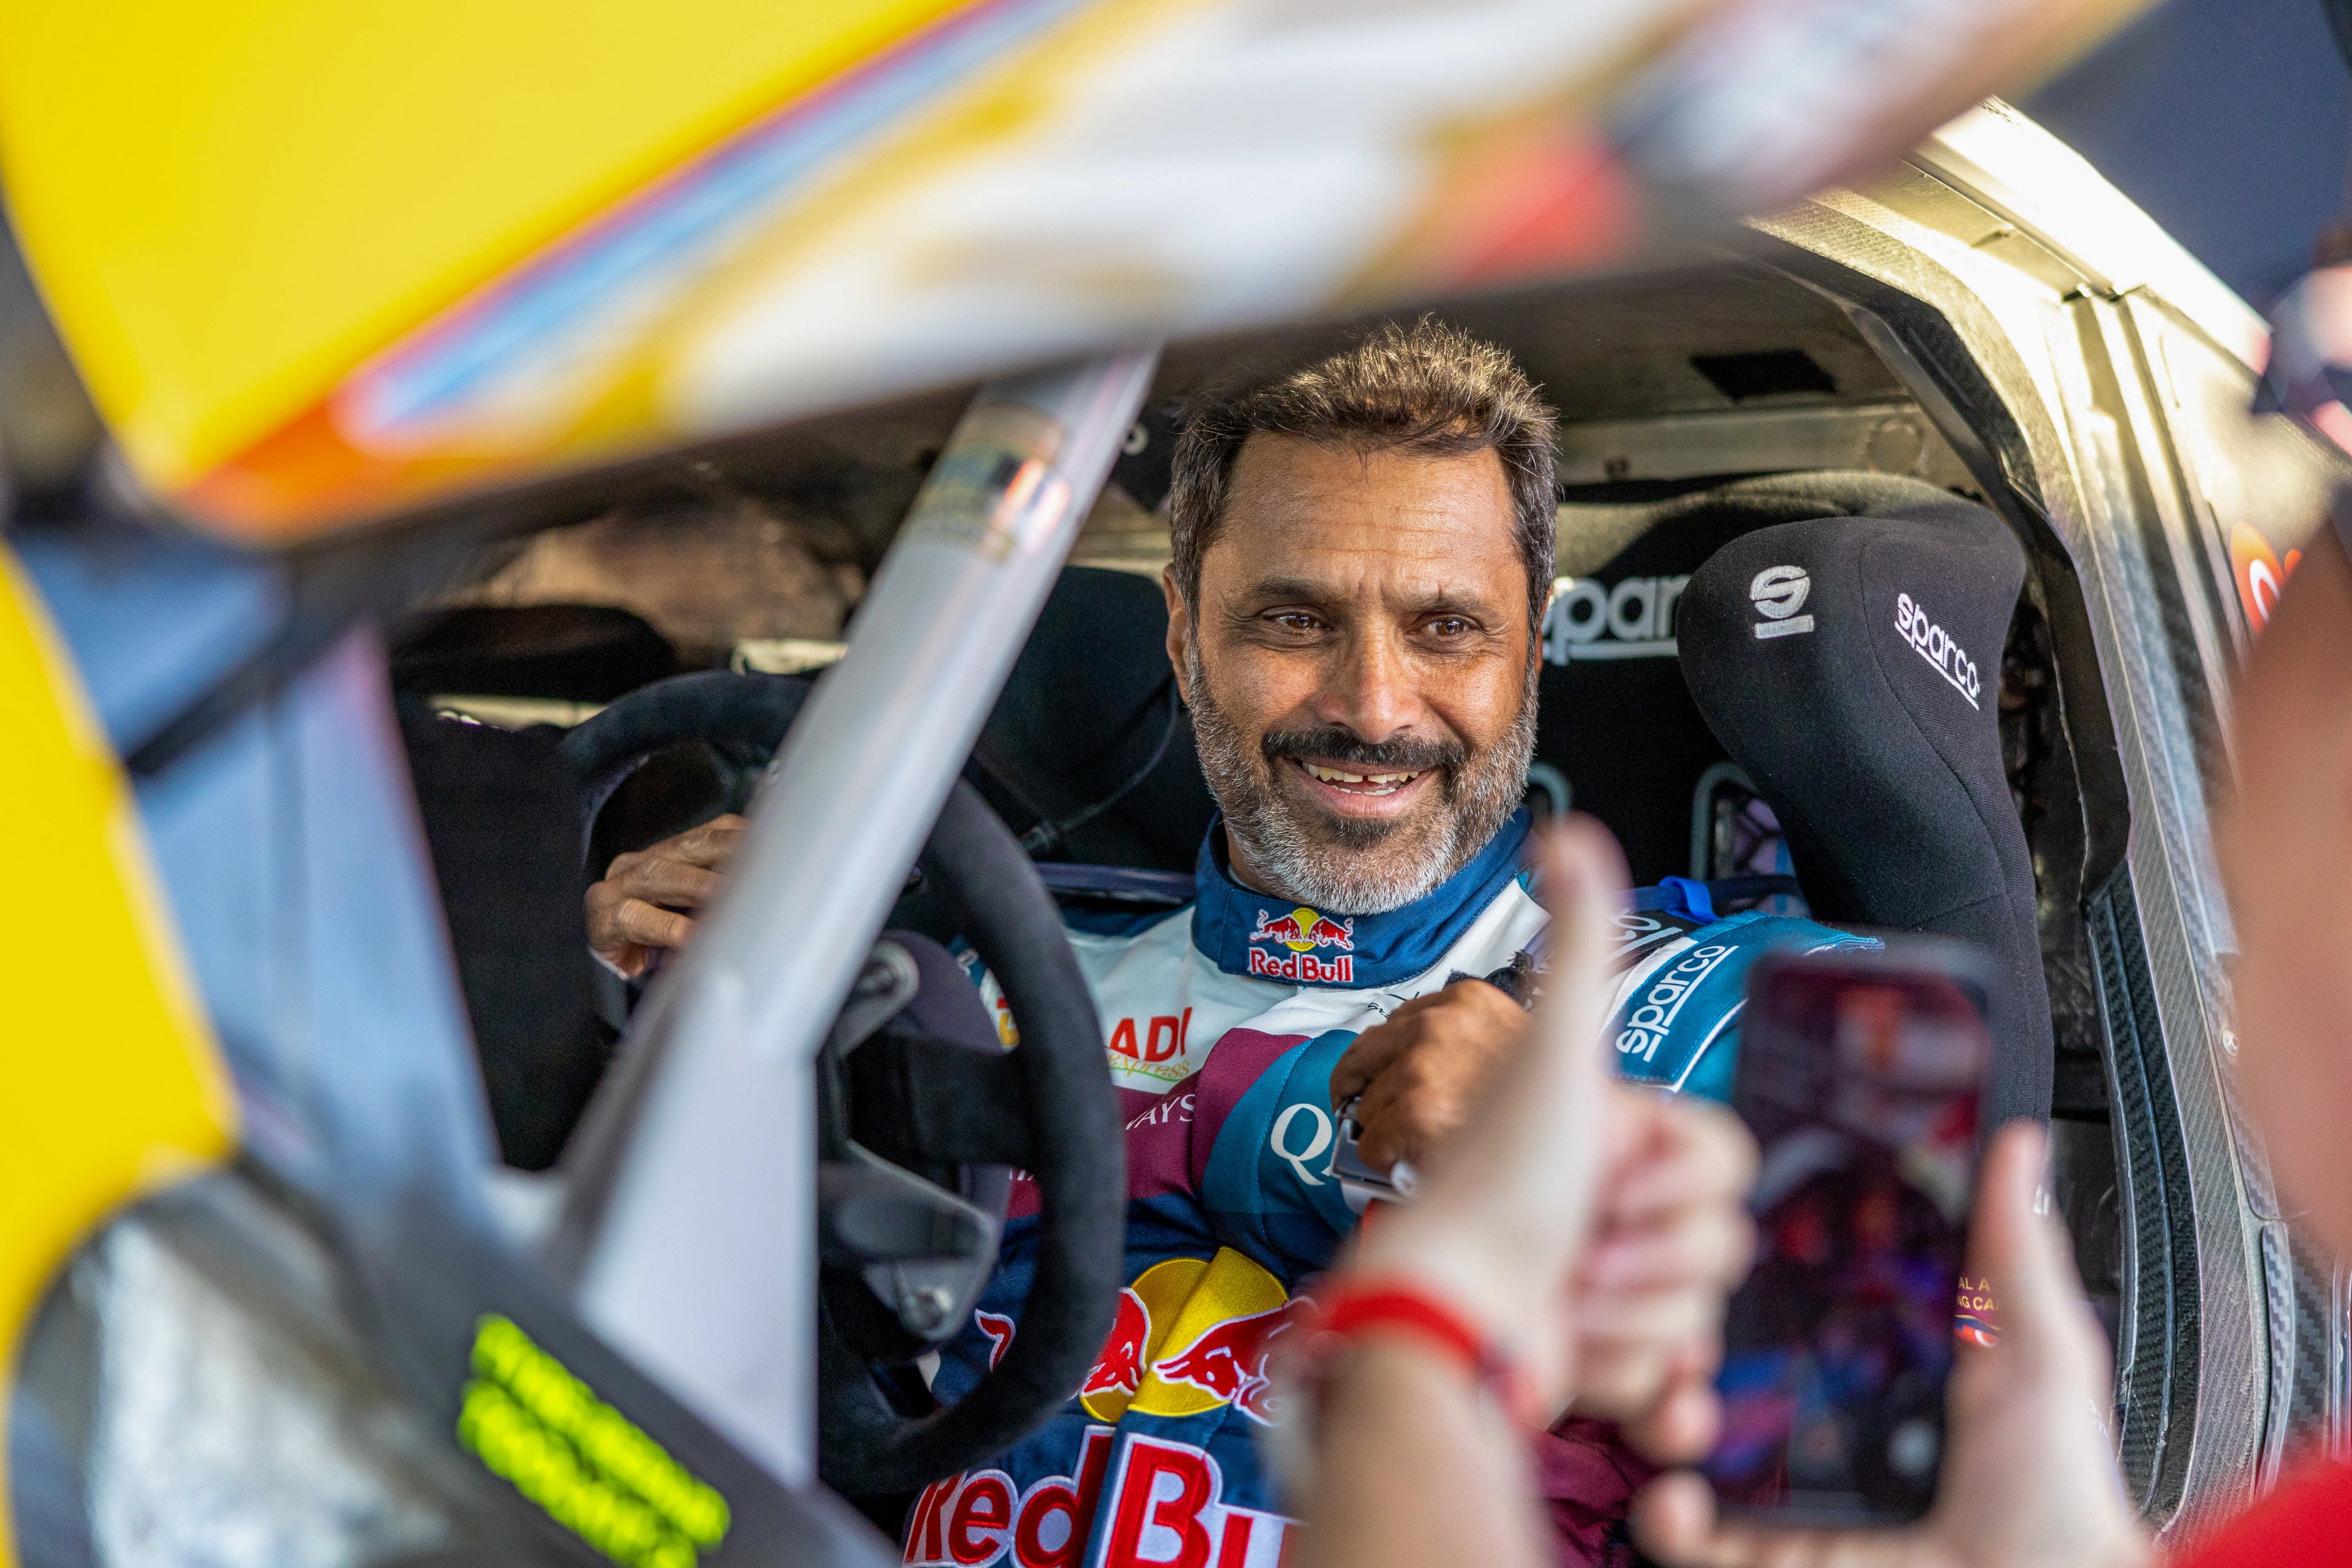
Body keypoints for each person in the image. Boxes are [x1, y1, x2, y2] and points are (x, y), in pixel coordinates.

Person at [587, 317, 1872, 1562]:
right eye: (1293, 622)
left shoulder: (1742, 1000)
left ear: (1529, 646)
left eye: (1444, 627)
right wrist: (593, 998)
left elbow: (1913, 1466)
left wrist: (1592, 1164)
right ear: (1183, 635)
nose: (1373, 708)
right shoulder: (971, 985)